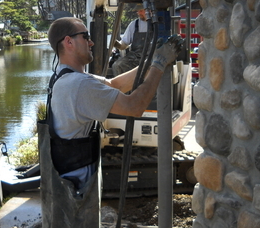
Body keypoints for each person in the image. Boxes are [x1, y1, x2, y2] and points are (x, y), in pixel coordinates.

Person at [39, 16, 183, 227]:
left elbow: (114, 84)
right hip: (75, 193)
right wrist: (160, 65)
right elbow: (134, 106)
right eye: (85, 37)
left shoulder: (62, 77)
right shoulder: (79, 85)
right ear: (68, 42)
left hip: (67, 187)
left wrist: (151, 61)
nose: (92, 42)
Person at [112, 4, 152, 76]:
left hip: (151, 57)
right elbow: (124, 45)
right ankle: (122, 86)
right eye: (138, 11)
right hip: (135, 58)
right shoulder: (134, 24)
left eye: (141, 11)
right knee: (117, 65)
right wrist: (115, 43)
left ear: (149, 10)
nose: (139, 13)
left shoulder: (156, 24)